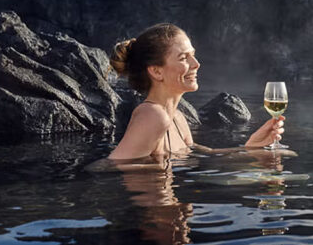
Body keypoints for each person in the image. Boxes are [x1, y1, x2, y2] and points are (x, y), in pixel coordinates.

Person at [107, 23, 284, 160]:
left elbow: (209, 154)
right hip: (154, 208)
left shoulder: (178, 118)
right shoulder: (152, 116)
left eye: (193, 54)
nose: (196, 63)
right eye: (184, 58)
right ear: (157, 71)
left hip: (171, 206)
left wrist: (251, 148)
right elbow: (111, 167)